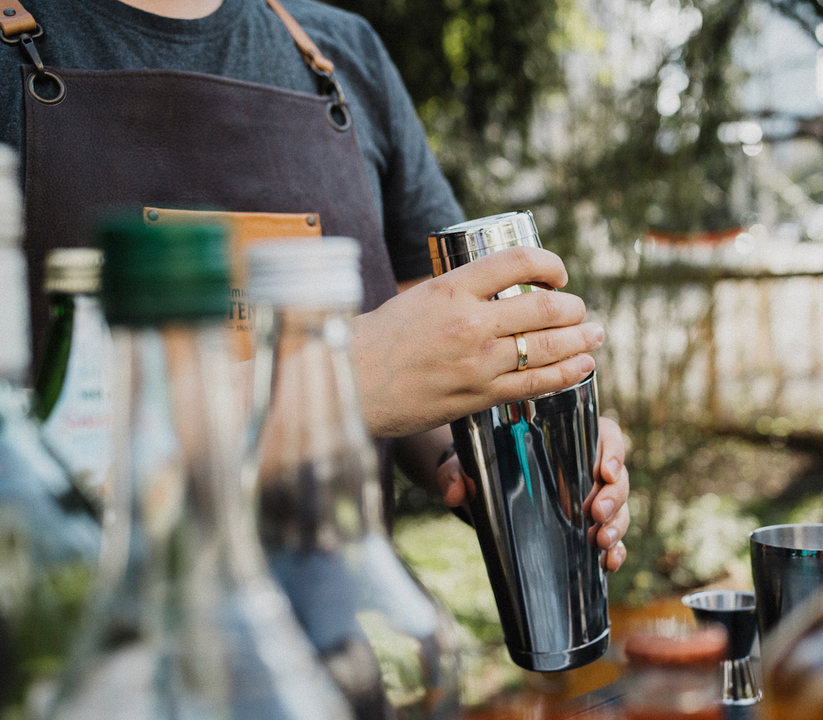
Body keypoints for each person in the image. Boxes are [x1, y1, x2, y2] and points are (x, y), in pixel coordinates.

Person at [0, 0, 630, 570]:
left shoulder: (342, 50)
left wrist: (489, 456)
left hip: (343, 650)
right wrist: (330, 383)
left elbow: (438, 350)